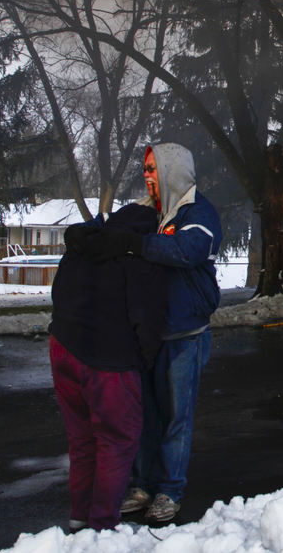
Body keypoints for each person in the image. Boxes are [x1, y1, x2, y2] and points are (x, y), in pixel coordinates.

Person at [80, 143, 223, 524]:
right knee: (144, 415)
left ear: (172, 170)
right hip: (148, 334)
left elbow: (186, 251)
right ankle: (143, 484)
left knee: (177, 417)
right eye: (144, 169)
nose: (147, 176)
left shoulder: (198, 213)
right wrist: (90, 233)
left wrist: (136, 244)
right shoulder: (148, 211)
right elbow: (115, 229)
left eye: (152, 169)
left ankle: (169, 490)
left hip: (185, 334)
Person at [49, 204, 167, 532]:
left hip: (63, 349)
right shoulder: (138, 260)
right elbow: (148, 321)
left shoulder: (79, 249)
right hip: (110, 363)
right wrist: (143, 361)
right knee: (116, 441)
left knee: (82, 439)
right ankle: (101, 527)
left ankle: (78, 517)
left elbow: (58, 295)